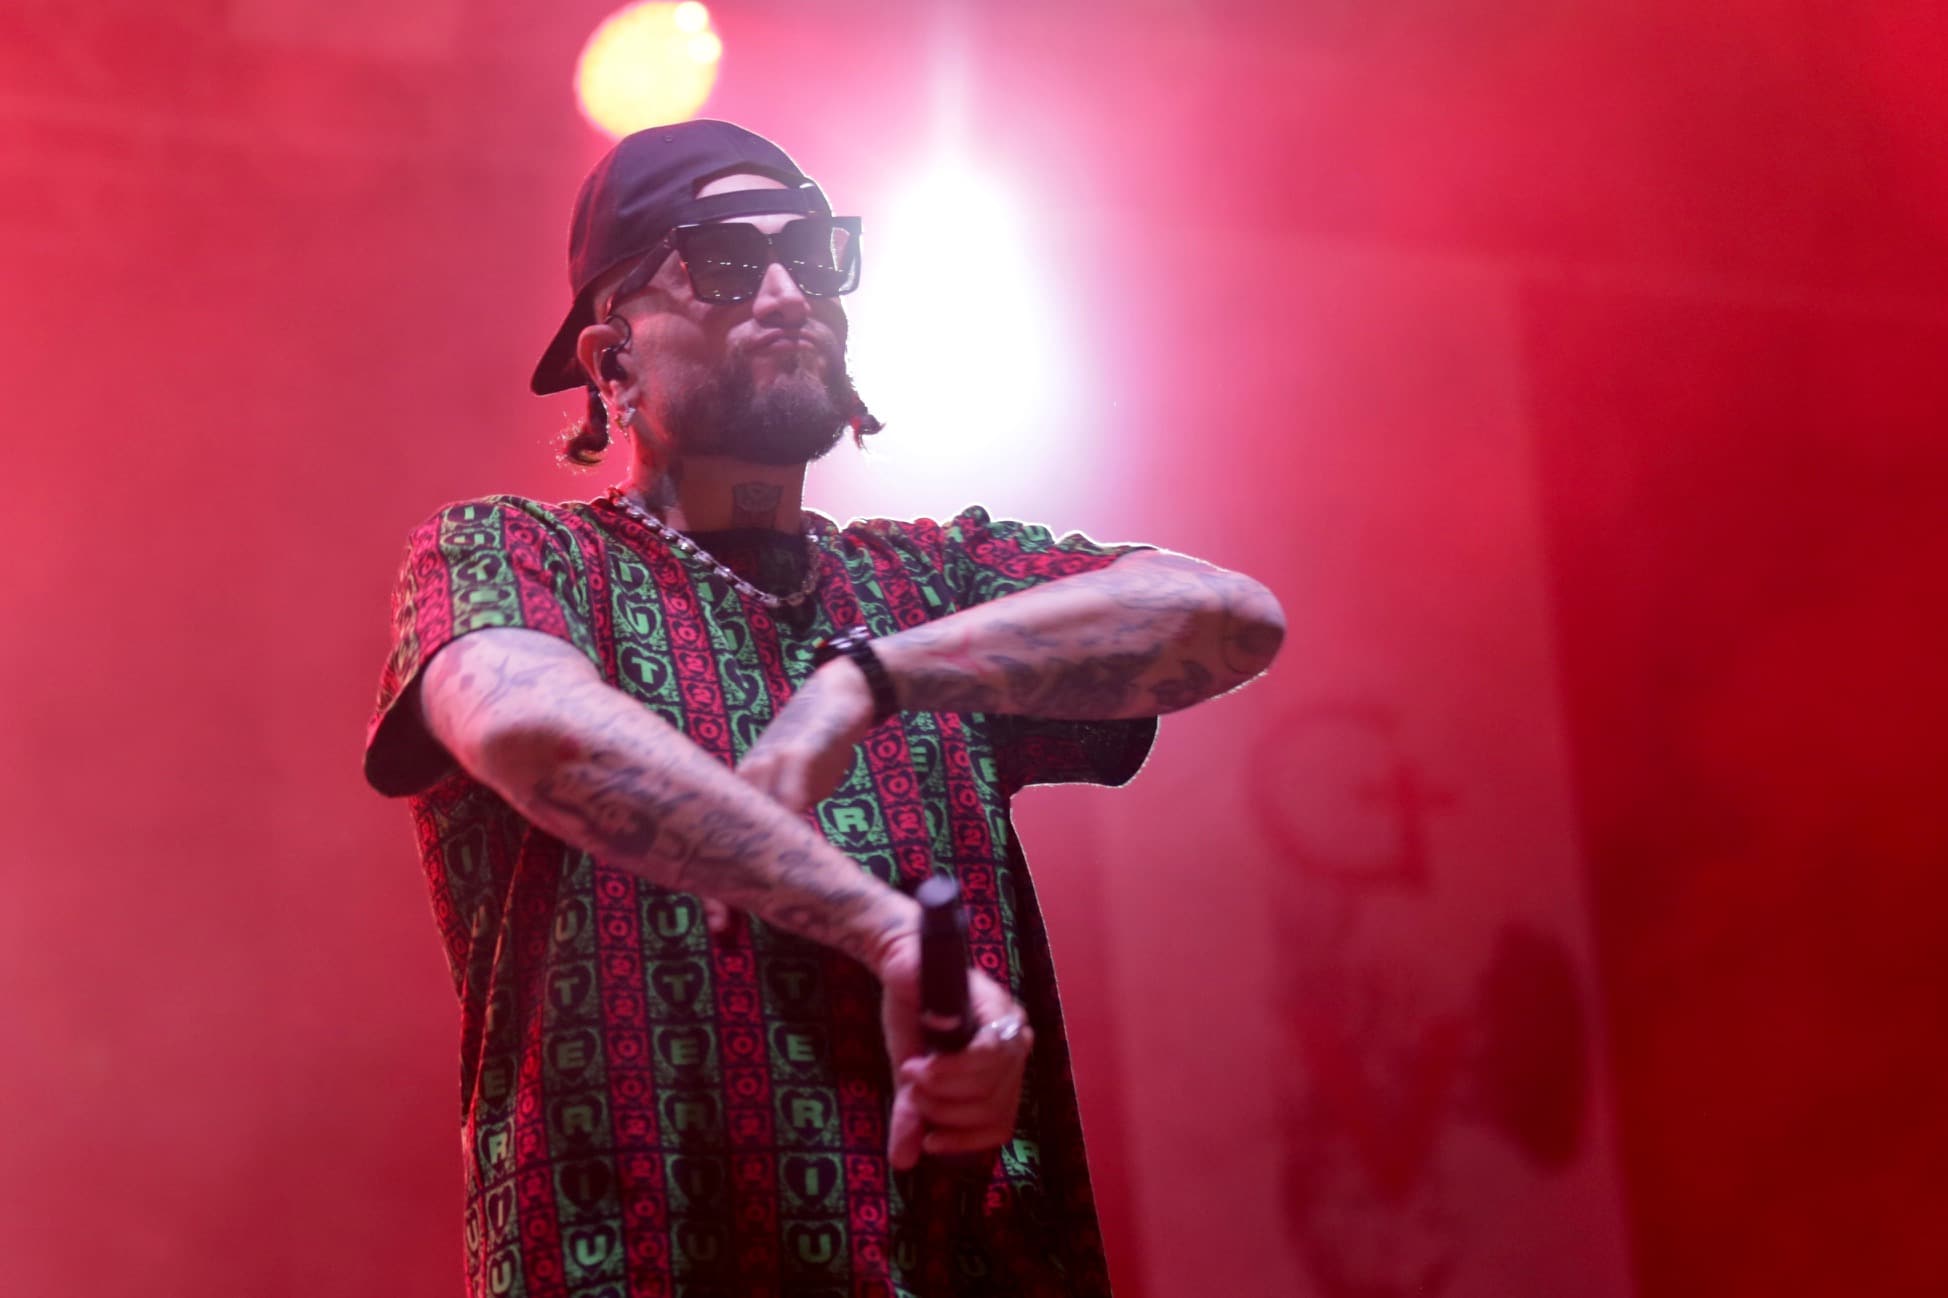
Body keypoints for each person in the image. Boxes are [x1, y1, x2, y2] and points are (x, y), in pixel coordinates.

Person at [363, 119, 1285, 1298]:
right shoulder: (512, 550)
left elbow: (1228, 615)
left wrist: (872, 676)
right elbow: (527, 726)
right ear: (611, 360)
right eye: (725, 260)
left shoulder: (923, 582)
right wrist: (886, 931)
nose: (788, 292)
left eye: (809, 251)